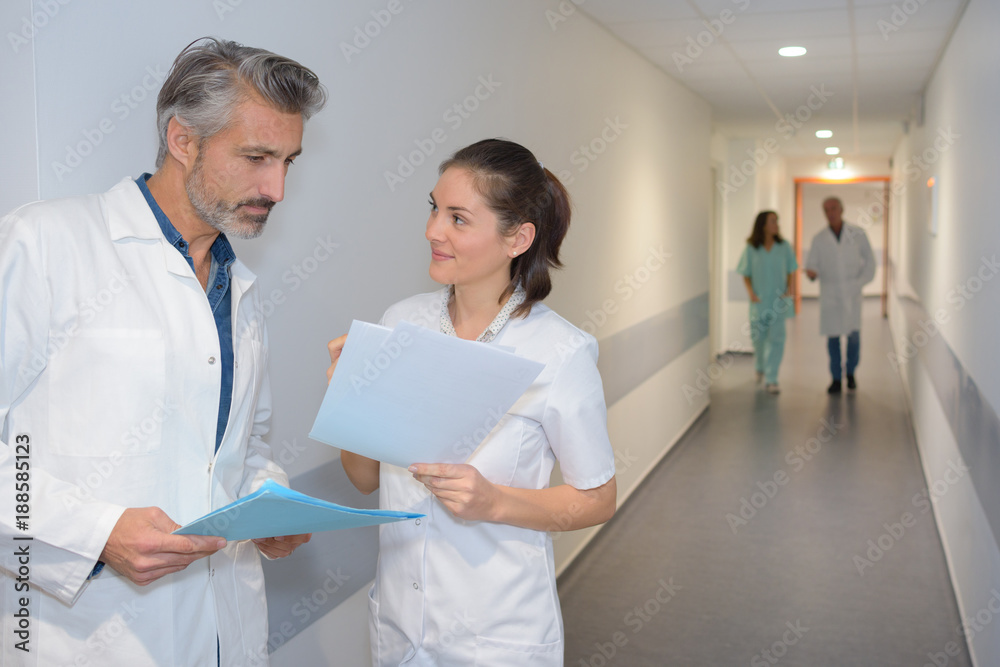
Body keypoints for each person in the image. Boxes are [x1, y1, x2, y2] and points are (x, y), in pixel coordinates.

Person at [0, 38, 326, 665]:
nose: (278, 187)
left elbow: (240, 449)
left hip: (224, 629)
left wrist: (271, 501)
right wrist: (96, 534)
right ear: (183, 140)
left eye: (289, 161)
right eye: (257, 157)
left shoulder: (238, 286)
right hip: (90, 633)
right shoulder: (45, 244)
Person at [327, 139, 617, 665]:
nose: (433, 230)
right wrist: (351, 400)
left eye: (458, 218)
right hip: (398, 622)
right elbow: (365, 478)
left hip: (497, 632)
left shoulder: (560, 352)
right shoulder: (401, 322)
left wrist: (494, 502)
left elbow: (597, 499)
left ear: (518, 238)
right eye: (434, 208)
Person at [805, 196, 876, 394]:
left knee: (854, 337)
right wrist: (812, 273)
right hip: (830, 294)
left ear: (842, 209)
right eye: (826, 210)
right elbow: (812, 264)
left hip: (852, 293)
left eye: (834, 208)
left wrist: (859, 283)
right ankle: (836, 378)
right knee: (833, 338)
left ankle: (851, 373)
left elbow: (870, 262)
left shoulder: (857, 234)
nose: (831, 213)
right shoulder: (819, 239)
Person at [737, 210, 797, 394]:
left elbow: (791, 269)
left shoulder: (784, 246)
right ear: (762, 225)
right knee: (758, 339)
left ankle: (772, 378)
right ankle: (760, 366)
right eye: (773, 221)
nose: (777, 225)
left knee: (777, 340)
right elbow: (745, 273)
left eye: (777, 221)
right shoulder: (751, 248)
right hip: (759, 300)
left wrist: (790, 289)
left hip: (778, 300)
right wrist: (751, 293)